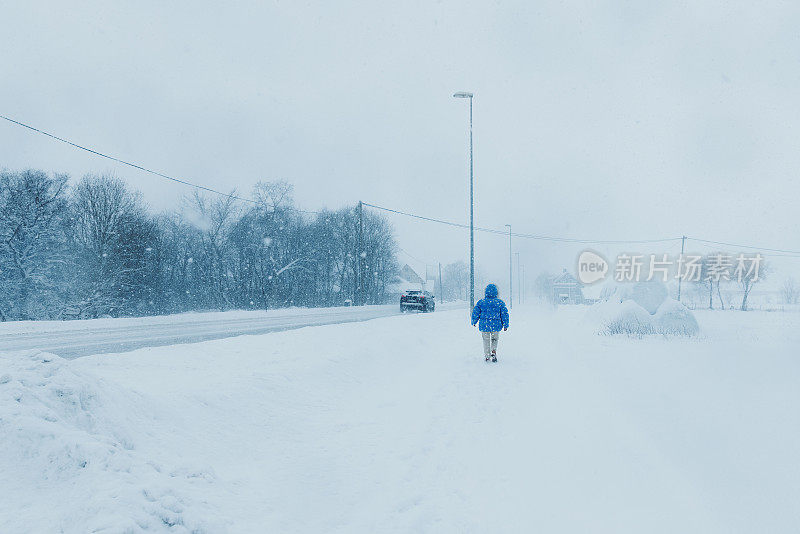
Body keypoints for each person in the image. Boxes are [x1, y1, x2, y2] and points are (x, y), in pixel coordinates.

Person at [470, 283, 510, 362]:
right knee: (495, 339)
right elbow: (504, 314)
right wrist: (505, 324)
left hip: (485, 326)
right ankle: (493, 350)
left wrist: (474, 321)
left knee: (486, 340)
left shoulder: (481, 302)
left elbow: (475, 313)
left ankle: (487, 356)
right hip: (496, 326)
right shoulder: (500, 303)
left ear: (486, 292)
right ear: (496, 293)